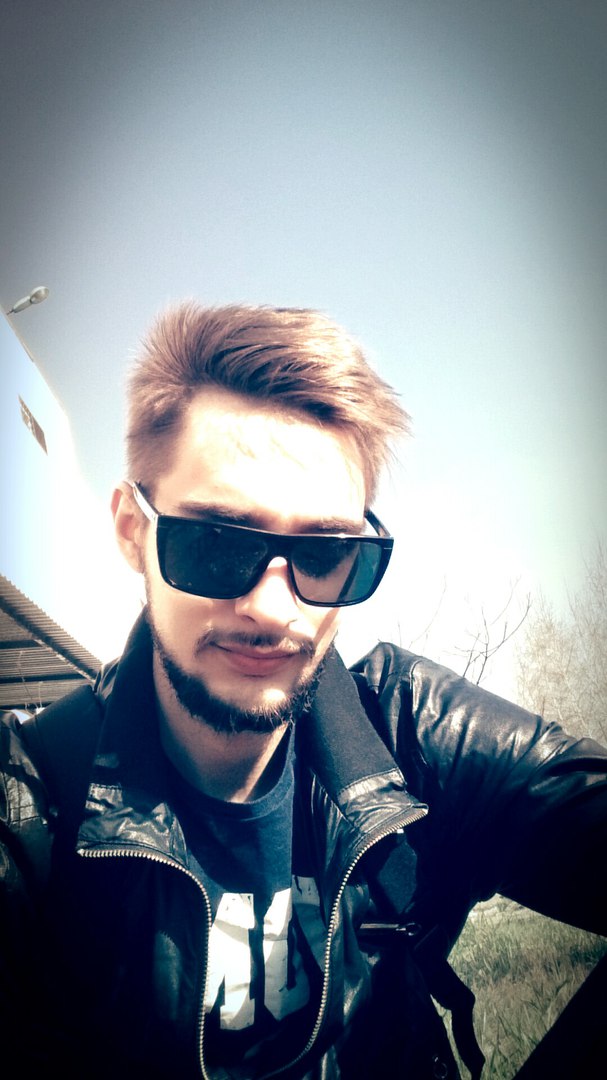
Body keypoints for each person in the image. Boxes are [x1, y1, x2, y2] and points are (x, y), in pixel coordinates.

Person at [1, 303, 605, 1079]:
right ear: (132, 532)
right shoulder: (35, 806)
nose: (272, 608)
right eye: (217, 543)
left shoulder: (413, 740)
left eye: (322, 554)